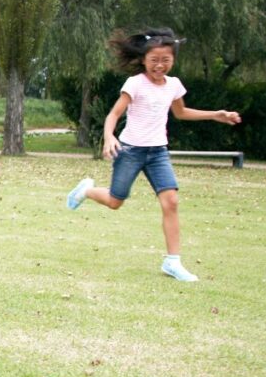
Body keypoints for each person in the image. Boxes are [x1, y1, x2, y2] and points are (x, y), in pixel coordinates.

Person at [65, 27, 241, 282]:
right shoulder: (134, 83)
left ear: (173, 60)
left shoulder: (174, 85)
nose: (160, 65)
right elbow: (114, 115)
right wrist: (109, 137)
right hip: (131, 151)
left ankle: (173, 262)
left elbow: (180, 113)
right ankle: (86, 191)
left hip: (158, 152)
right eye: (154, 60)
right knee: (115, 201)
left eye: (165, 60)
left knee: (171, 202)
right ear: (144, 60)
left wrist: (216, 115)